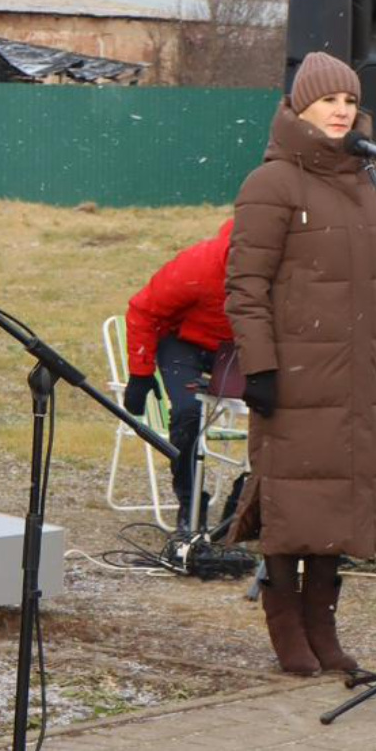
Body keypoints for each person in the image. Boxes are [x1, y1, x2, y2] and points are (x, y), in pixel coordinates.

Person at [225, 50, 376, 676]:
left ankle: (323, 626)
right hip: (296, 376)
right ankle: (286, 625)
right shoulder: (272, 183)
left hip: (360, 378)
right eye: (328, 100)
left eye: (350, 100)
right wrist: (260, 368)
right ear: (300, 107)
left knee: (343, 503)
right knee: (291, 501)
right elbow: (245, 286)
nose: (342, 111)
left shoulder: (372, 179)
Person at [120, 219, 235, 535]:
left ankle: (245, 501)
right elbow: (143, 310)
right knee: (187, 413)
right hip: (184, 344)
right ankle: (190, 501)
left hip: (241, 345)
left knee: (283, 415)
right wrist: (140, 374)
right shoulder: (198, 265)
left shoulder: (288, 268)